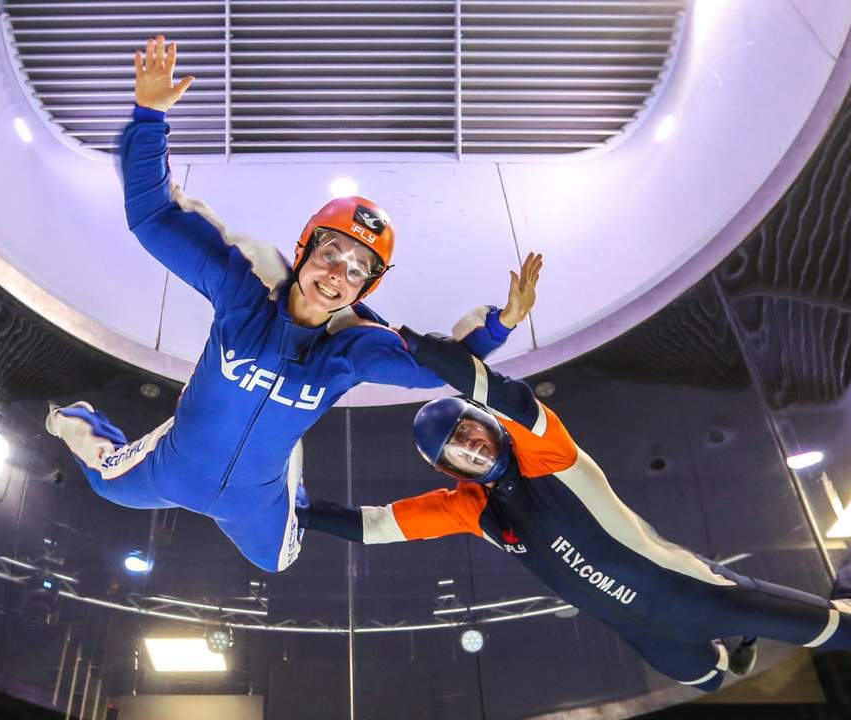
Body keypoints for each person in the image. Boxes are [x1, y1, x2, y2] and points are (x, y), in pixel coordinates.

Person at [45, 36, 540, 573]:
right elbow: (154, 219)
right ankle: (71, 418)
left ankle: (289, 477)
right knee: (105, 481)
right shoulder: (242, 294)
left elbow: (434, 370)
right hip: (172, 466)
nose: (338, 275)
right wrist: (148, 117)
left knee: (278, 561)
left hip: (253, 501)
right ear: (304, 249)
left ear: (366, 290)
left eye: (358, 270)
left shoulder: (353, 350)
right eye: (331, 254)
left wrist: (501, 325)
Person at [299, 312, 851, 691]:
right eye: (455, 449)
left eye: (470, 429)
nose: (470, 445)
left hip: (703, 597)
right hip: (644, 631)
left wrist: (399, 337)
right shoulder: (474, 509)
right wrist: (298, 514)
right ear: (448, 468)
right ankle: (739, 642)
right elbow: (377, 526)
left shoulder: (546, 452)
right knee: (714, 679)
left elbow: (494, 390)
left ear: (487, 424)